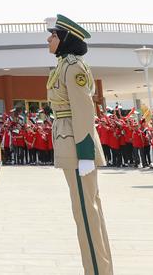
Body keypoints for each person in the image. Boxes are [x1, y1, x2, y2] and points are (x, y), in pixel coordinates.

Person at [45, 15, 113, 275]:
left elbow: (84, 111)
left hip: (76, 146)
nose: (49, 39)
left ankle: (97, 271)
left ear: (65, 40)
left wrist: (85, 155)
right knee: (86, 213)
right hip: (70, 143)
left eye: (53, 35)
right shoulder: (64, 65)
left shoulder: (73, 67)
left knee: (86, 215)